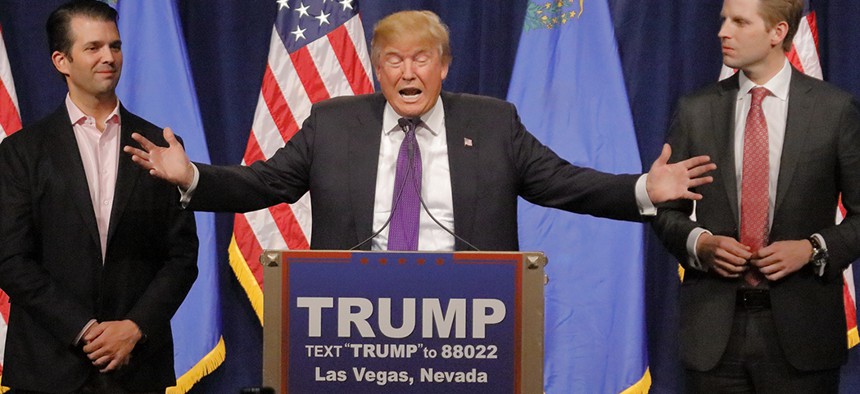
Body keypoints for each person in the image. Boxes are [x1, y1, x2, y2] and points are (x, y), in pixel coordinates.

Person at [126, 10, 713, 252]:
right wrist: (194, 178)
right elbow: (266, 184)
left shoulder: (491, 122)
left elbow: (563, 184)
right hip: (354, 322)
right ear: (377, 70)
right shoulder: (334, 122)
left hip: (466, 321)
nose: (408, 72)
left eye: (422, 58)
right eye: (394, 61)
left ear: (444, 65)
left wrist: (643, 189)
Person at [652, 0, 860, 392]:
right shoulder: (695, 111)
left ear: (777, 33)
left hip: (804, 336)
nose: (722, 32)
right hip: (713, 335)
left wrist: (813, 248)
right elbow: (667, 213)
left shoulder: (835, 110)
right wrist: (700, 243)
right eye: (723, 20)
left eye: (740, 22)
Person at [0, 1, 199, 392]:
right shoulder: (21, 152)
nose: (109, 57)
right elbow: (9, 258)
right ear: (62, 60)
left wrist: (134, 328)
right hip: (48, 369)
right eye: (93, 47)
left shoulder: (160, 147)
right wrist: (85, 330)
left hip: (137, 368)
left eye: (115, 46)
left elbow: (182, 257)